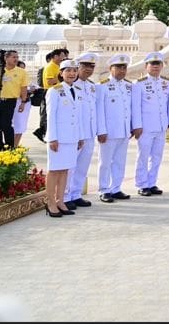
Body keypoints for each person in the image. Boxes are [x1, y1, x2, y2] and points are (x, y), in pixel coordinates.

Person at [45, 59, 83, 217]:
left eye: (74, 70)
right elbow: (51, 116)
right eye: (68, 70)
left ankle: (60, 200)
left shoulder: (77, 90)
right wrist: (52, 138)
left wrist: (80, 137)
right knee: (54, 170)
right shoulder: (54, 91)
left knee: (65, 170)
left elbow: (78, 116)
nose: (72, 73)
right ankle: (50, 203)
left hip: (71, 137)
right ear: (61, 73)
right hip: (58, 138)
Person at [95, 54, 134, 203]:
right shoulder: (102, 86)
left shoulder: (128, 86)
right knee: (105, 162)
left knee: (120, 161)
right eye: (118, 67)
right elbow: (100, 111)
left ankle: (116, 188)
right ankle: (104, 189)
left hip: (123, 131)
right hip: (108, 131)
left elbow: (129, 109)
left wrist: (130, 127)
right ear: (110, 68)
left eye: (124, 68)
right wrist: (101, 130)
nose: (122, 70)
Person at [131, 52, 169, 196]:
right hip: (145, 127)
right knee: (143, 156)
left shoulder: (166, 83)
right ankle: (142, 184)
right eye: (152, 64)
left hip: (160, 126)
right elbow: (135, 107)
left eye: (158, 64)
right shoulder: (139, 84)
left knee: (157, 157)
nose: (155, 67)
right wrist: (137, 126)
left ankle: (152, 182)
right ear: (146, 66)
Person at [64, 53, 99, 210]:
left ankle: (76, 194)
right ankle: (65, 196)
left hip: (89, 133)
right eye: (85, 66)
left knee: (83, 166)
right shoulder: (71, 86)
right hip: (76, 133)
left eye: (91, 67)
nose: (88, 69)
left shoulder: (91, 86)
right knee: (70, 166)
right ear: (77, 67)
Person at [0, 49, 27, 151]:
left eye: (17, 57)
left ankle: (10, 147)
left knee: (6, 125)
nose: (16, 59)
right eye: (14, 57)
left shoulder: (21, 72)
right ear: (6, 58)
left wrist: (23, 102)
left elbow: (24, 88)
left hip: (10, 101)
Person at [11, 61, 39, 147]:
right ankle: (10, 146)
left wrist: (32, 90)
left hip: (25, 104)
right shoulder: (12, 77)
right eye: (20, 68)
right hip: (16, 103)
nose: (22, 70)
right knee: (13, 126)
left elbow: (32, 86)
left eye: (23, 68)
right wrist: (27, 91)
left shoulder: (25, 78)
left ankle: (15, 147)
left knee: (21, 126)